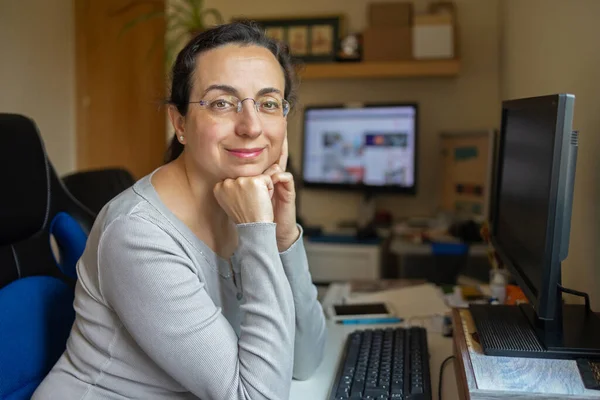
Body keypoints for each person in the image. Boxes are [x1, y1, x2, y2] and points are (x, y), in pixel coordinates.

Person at [33, 21, 326, 400]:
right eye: (222, 103)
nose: (251, 126)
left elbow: (305, 360)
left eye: (268, 103)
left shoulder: (243, 204)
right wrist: (257, 231)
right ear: (180, 122)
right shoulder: (138, 234)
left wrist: (284, 238)